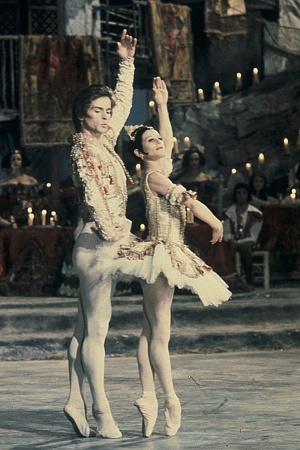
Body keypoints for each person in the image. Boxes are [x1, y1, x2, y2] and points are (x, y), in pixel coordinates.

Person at [98, 77, 231, 438]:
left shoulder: (159, 166)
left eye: (158, 139)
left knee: (148, 332)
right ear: (141, 154)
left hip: (162, 251)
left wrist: (162, 105)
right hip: (160, 253)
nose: (161, 142)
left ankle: (146, 396)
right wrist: (215, 219)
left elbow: (169, 139)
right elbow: (189, 200)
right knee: (161, 333)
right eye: (151, 141)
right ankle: (171, 397)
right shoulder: (155, 178)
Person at [63, 29, 137, 439]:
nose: (106, 116)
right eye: (98, 110)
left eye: (106, 111)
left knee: (83, 328)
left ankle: (74, 401)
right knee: (97, 332)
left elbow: (124, 104)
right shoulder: (82, 149)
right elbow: (95, 199)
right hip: (96, 242)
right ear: (82, 115)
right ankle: (102, 410)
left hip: (100, 240)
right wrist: (118, 238)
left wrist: (126, 62)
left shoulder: (103, 140)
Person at [223, 182, 263, 287]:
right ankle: (232, 278)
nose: (241, 195)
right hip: (232, 241)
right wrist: (231, 240)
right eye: (238, 193)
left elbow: (254, 235)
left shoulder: (255, 213)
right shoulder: (230, 212)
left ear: (248, 195)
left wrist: (239, 242)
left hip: (249, 241)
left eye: (244, 193)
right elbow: (226, 231)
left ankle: (249, 279)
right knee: (230, 246)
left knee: (244, 248)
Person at [0, 149, 43, 225]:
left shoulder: (31, 180)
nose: (16, 161)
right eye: (13, 159)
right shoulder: (4, 182)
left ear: (22, 161)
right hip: (9, 217)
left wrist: (30, 203)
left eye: (18, 159)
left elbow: (39, 199)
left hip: (29, 215)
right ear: (9, 162)